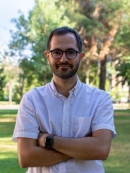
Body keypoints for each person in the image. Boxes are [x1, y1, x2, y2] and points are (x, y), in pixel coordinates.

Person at [12, 26, 116, 173]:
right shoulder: (32, 100)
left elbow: (101, 149)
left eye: (71, 52)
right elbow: (26, 157)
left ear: (81, 56)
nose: (63, 58)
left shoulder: (100, 99)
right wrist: (83, 148)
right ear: (48, 56)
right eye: (57, 52)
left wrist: (49, 140)